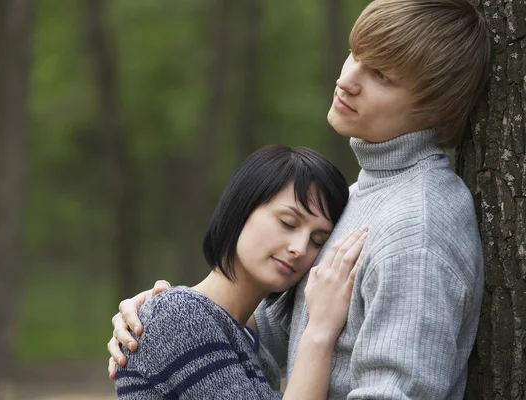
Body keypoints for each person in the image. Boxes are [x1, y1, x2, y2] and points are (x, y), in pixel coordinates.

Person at [109, 0, 491, 398]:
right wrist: (160, 319)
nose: (347, 80)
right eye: (354, 55)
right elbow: (267, 335)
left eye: (380, 75)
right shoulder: (358, 199)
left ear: (433, 107)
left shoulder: (418, 229)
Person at [114, 144, 366, 399]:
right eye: (287, 223)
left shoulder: (252, 348)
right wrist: (320, 331)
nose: (300, 249)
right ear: (241, 207)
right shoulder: (177, 314)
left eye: (317, 241)